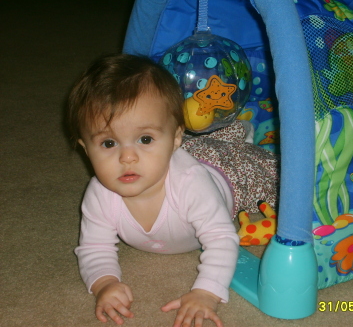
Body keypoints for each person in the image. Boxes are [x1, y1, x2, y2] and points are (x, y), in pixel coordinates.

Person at [67, 53, 279, 327]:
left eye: (145, 139)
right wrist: (104, 283)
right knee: (195, 148)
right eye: (108, 144)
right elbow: (94, 247)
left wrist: (207, 292)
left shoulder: (192, 185)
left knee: (271, 175)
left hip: (228, 174)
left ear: (176, 136)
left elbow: (221, 239)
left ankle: (237, 136)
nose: (127, 157)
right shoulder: (100, 194)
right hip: (179, 154)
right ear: (86, 149)